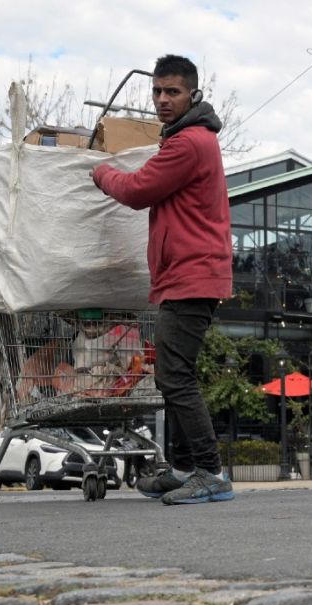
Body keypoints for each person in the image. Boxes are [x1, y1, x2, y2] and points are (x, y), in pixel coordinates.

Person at [90, 54, 233, 505]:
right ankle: (185, 468)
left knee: (175, 377)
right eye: (156, 91)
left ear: (193, 92)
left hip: (193, 275)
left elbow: (136, 191)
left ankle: (209, 472)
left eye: (172, 91)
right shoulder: (186, 140)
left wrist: (98, 171)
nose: (162, 100)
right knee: (174, 375)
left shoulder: (189, 143)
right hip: (184, 274)